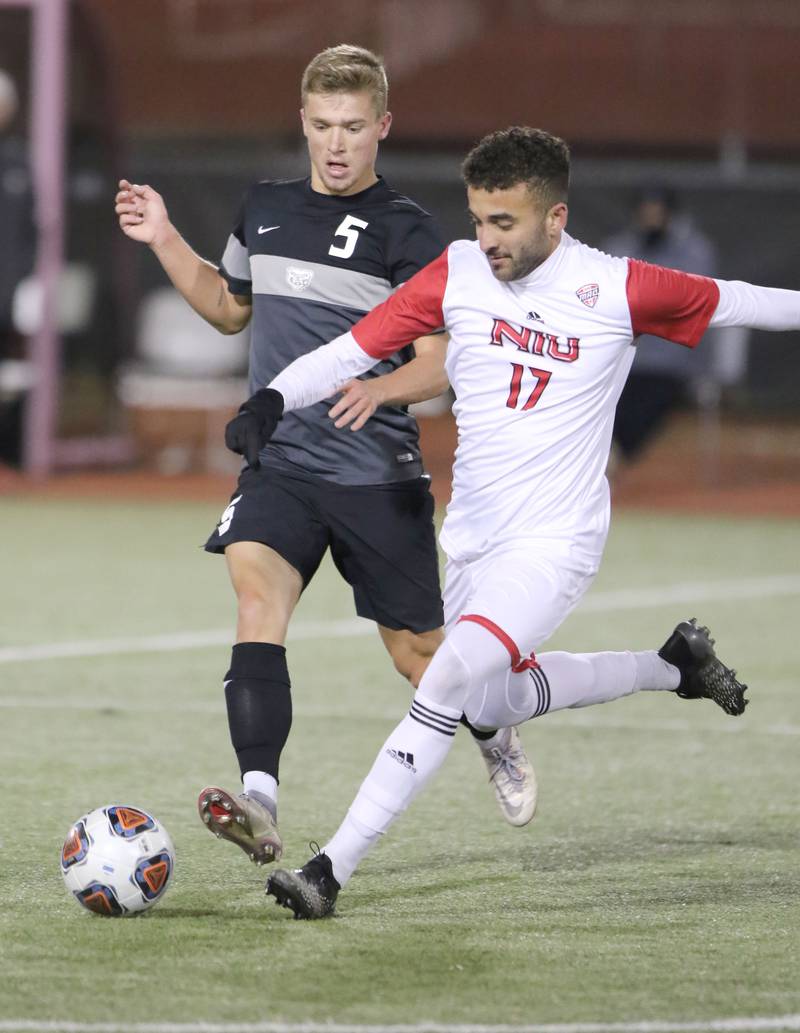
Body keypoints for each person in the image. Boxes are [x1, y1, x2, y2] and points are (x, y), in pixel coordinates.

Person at [238, 125, 800, 919]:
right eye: (477, 219)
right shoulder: (460, 272)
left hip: (554, 543)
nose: (486, 239)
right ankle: (674, 665)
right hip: (471, 539)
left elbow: (742, 300)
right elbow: (357, 347)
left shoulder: (615, 288)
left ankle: (329, 868)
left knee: (446, 676)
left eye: (504, 223)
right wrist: (272, 397)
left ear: (556, 218)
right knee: (487, 705)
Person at [114, 46, 537, 866]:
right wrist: (165, 237)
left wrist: (380, 391)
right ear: (302, 122)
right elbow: (230, 310)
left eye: (351, 127)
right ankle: (259, 798)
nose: (335, 145)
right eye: (319, 126)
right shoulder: (264, 206)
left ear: (382, 126)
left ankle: (493, 727)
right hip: (283, 467)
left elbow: (443, 359)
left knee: (420, 656)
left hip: (378, 478)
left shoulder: (410, 231)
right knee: (254, 595)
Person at [604, 186, 719, 464]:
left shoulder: (693, 252)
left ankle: (613, 458)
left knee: (640, 410)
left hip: (666, 363)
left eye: (657, 212)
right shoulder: (620, 248)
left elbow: (687, 305)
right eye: (646, 212)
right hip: (618, 358)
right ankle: (604, 459)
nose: (650, 218)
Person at [0, 68, 37, 467]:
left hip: (8, 292)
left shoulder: (18, 162)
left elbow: (32, 229)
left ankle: (13, 454)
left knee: (16, 375)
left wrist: (29, 281)